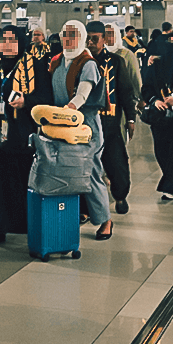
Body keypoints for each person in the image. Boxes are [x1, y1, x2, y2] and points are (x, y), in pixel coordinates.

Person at [0, 26, 49, 246]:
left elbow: (45, 98)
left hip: (21, 136)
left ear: (21, 42)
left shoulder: (34, 66)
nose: (7, 44)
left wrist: (26, 102)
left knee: (22, 183)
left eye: (12, 40)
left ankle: (24, 226)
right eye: (3, 40)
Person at [50, 21, 112, 240]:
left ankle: (105, 220)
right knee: (67, 172)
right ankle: (72, 215)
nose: (69, 39)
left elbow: (83, 93)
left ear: (83, 38)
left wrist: (71, 108)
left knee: (91, 172)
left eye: (73, 35)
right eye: (65, 35)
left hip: (86, 127)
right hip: (62, 126)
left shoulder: (87, 63)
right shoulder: (57, 62)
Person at [142, 29, 173, 199]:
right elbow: (146, 89)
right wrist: (155, 100)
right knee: (161, 150)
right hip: (160, 115)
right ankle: (171, 181)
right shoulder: (154, 66)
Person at [100, 23, 142, 214]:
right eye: (105, 34)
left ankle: (118, 192)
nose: (108, 38)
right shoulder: (89, 57)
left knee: (116, 154)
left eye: (111, 34)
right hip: (97, 116)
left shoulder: (125, 56)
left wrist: (133, 113)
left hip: (119, 115)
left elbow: (133, 84)